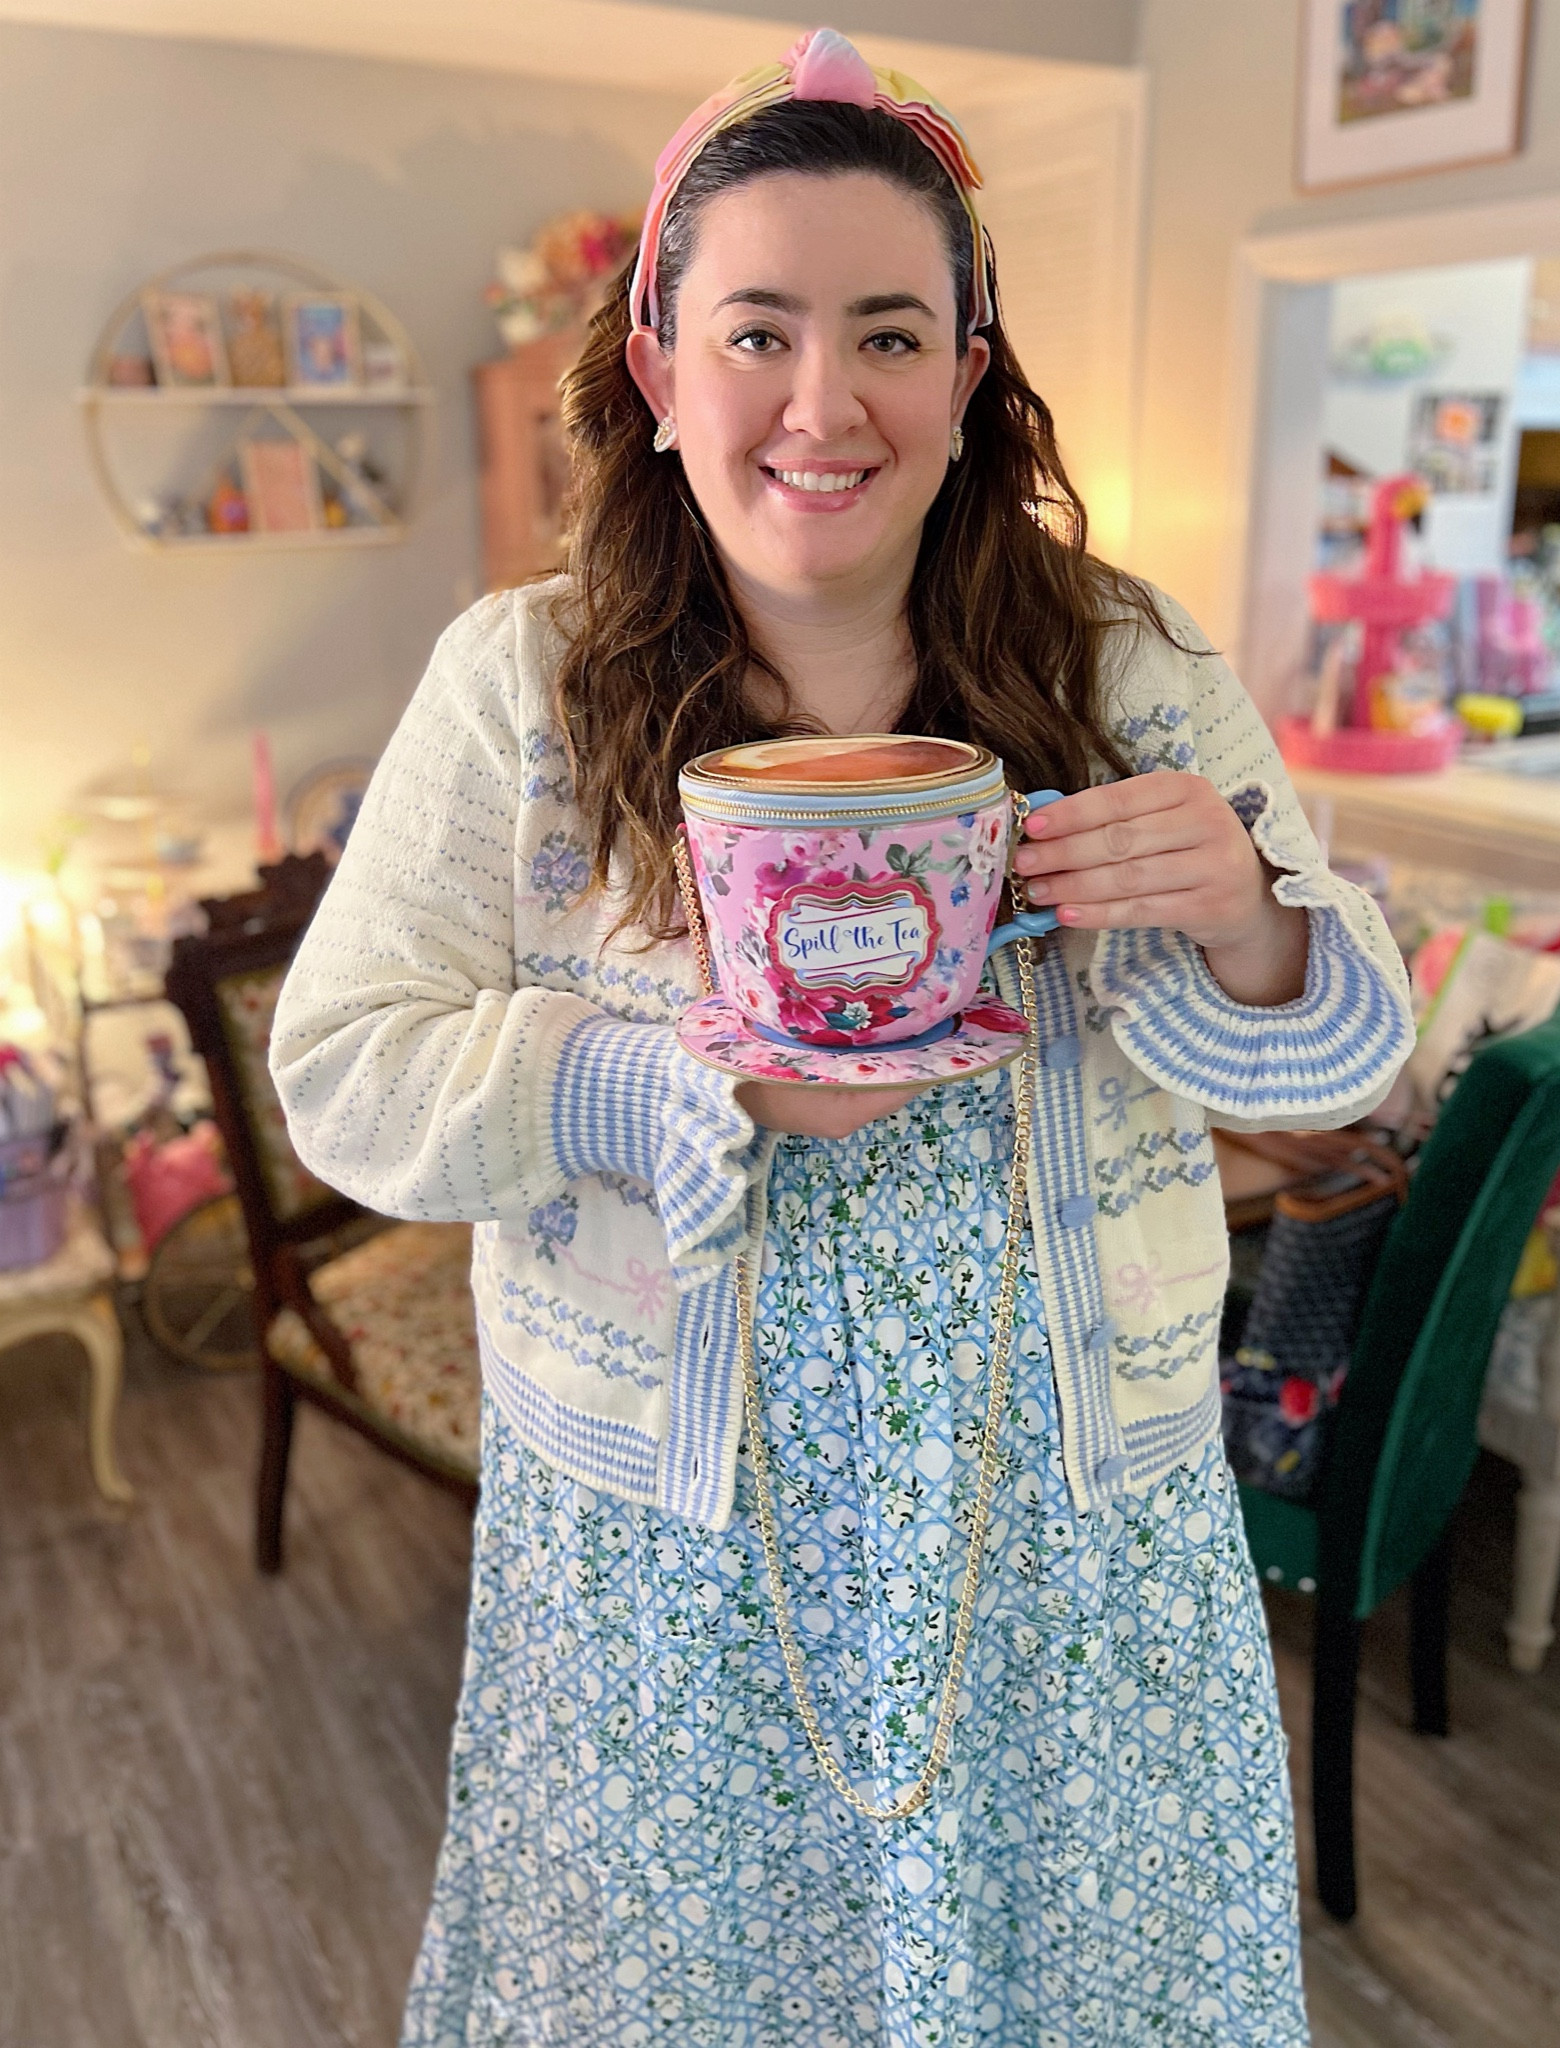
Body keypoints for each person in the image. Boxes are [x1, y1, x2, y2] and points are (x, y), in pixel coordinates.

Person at [271, 30, 1414, 2046]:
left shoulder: (1125, 659)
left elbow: (1337, 1071)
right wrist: (652, 1083)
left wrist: (1248, 914)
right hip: (665, 1550)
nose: (826, 402)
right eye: (760, 331)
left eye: (893, 333)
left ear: (970, 374)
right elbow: (346, 1066)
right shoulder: (518, 689)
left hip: (1070, 1532)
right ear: (657, 366)